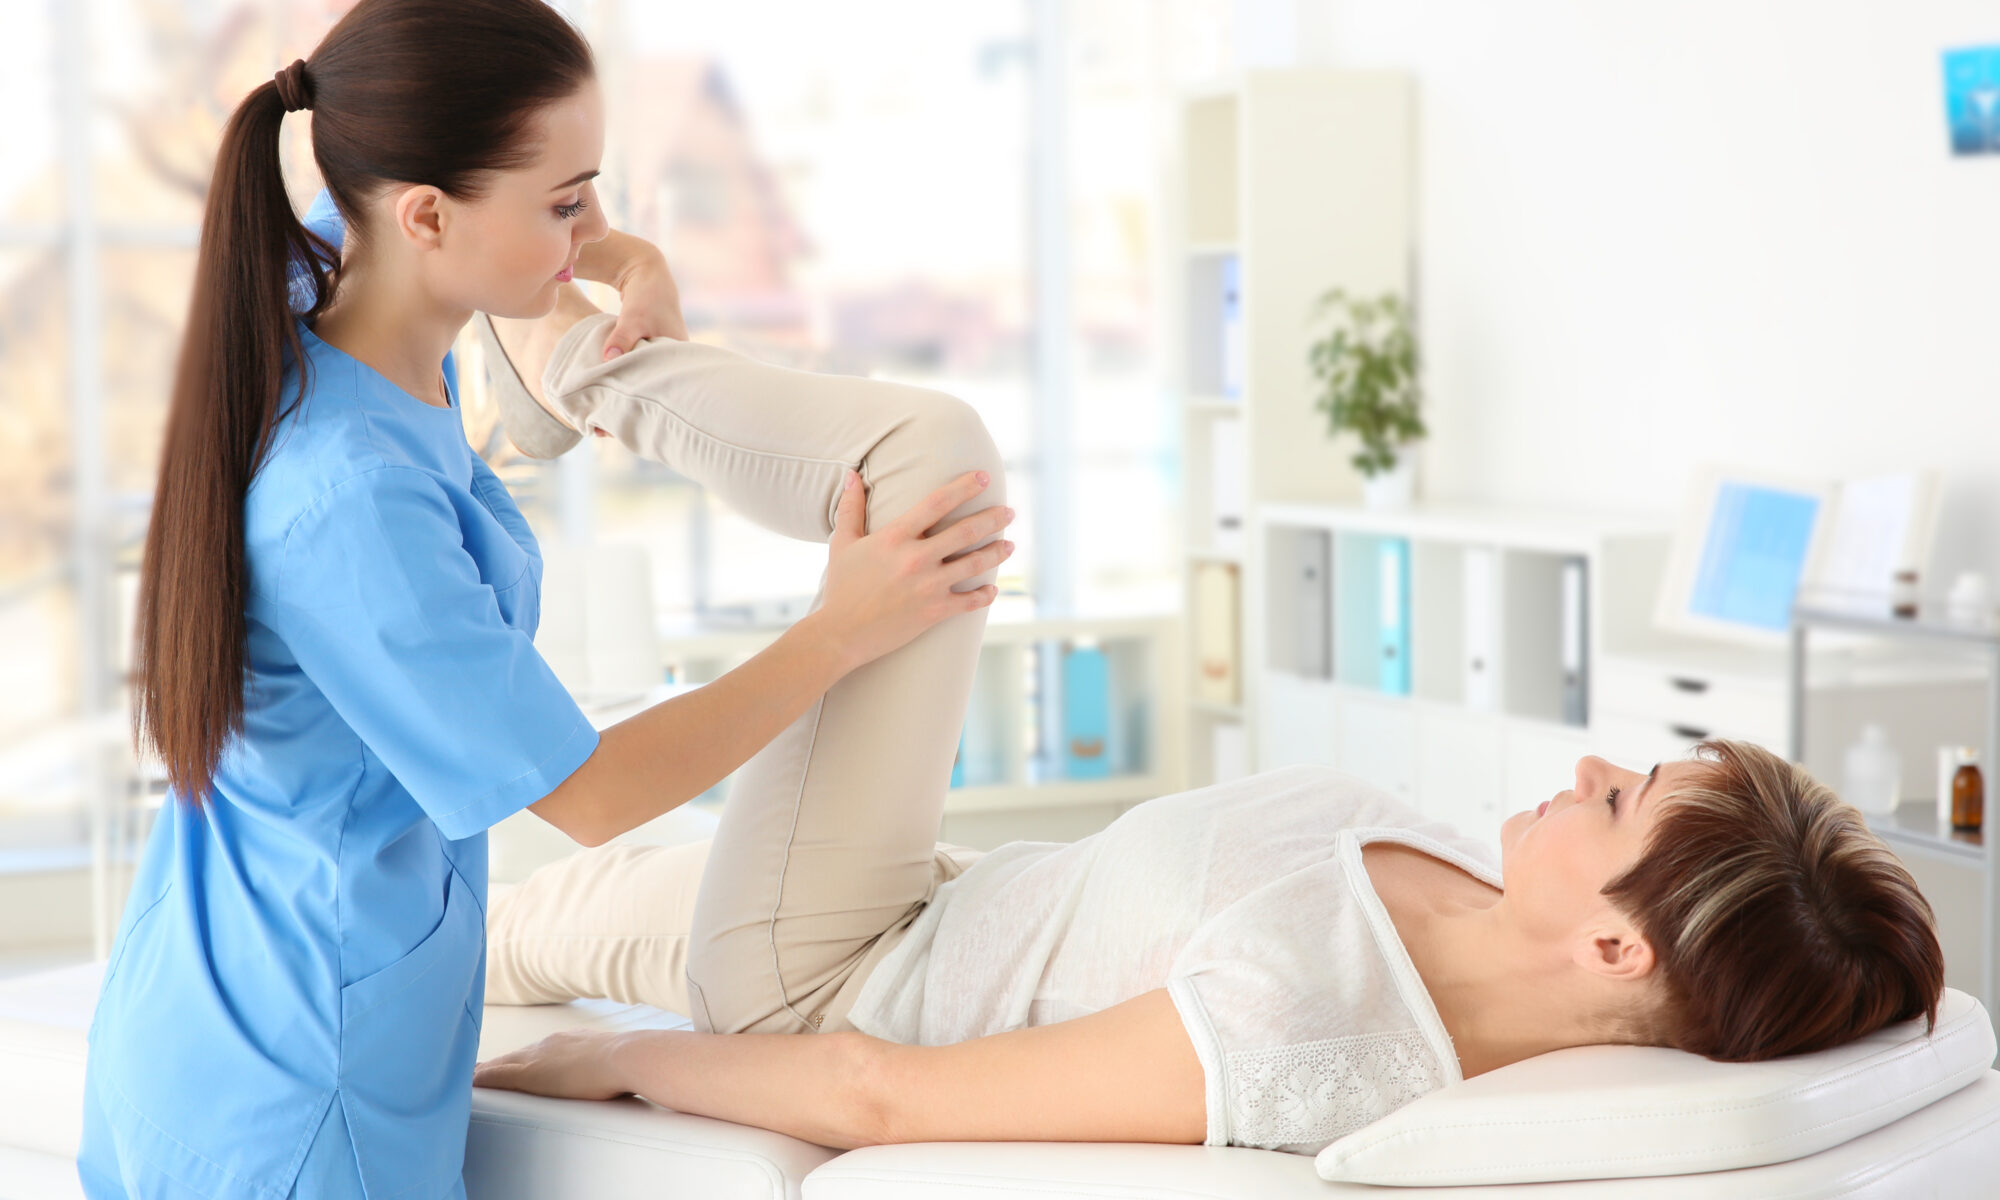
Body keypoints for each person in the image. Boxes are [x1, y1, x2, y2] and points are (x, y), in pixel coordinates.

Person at [472, 293, 1947, 1154]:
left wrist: (616, 1065)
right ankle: (544, 388)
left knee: (933, 467)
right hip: (933, 902)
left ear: (1619, 951)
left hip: (829, 975)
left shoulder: (1311, 1022)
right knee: (504, 935)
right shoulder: (1489, 901)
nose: (1589, 767)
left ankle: (574, 367)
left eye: (1621, 802)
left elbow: (881, 1094)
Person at [80, 2, 1012, 1197]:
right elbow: (592, 795)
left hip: (213, 1009)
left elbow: (511, 254)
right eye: (565, 202)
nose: (586, 230)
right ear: (427, 215)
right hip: (297, 1092)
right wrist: (840, 629)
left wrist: (629, 266)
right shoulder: (351, 501)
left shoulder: (348, 280)